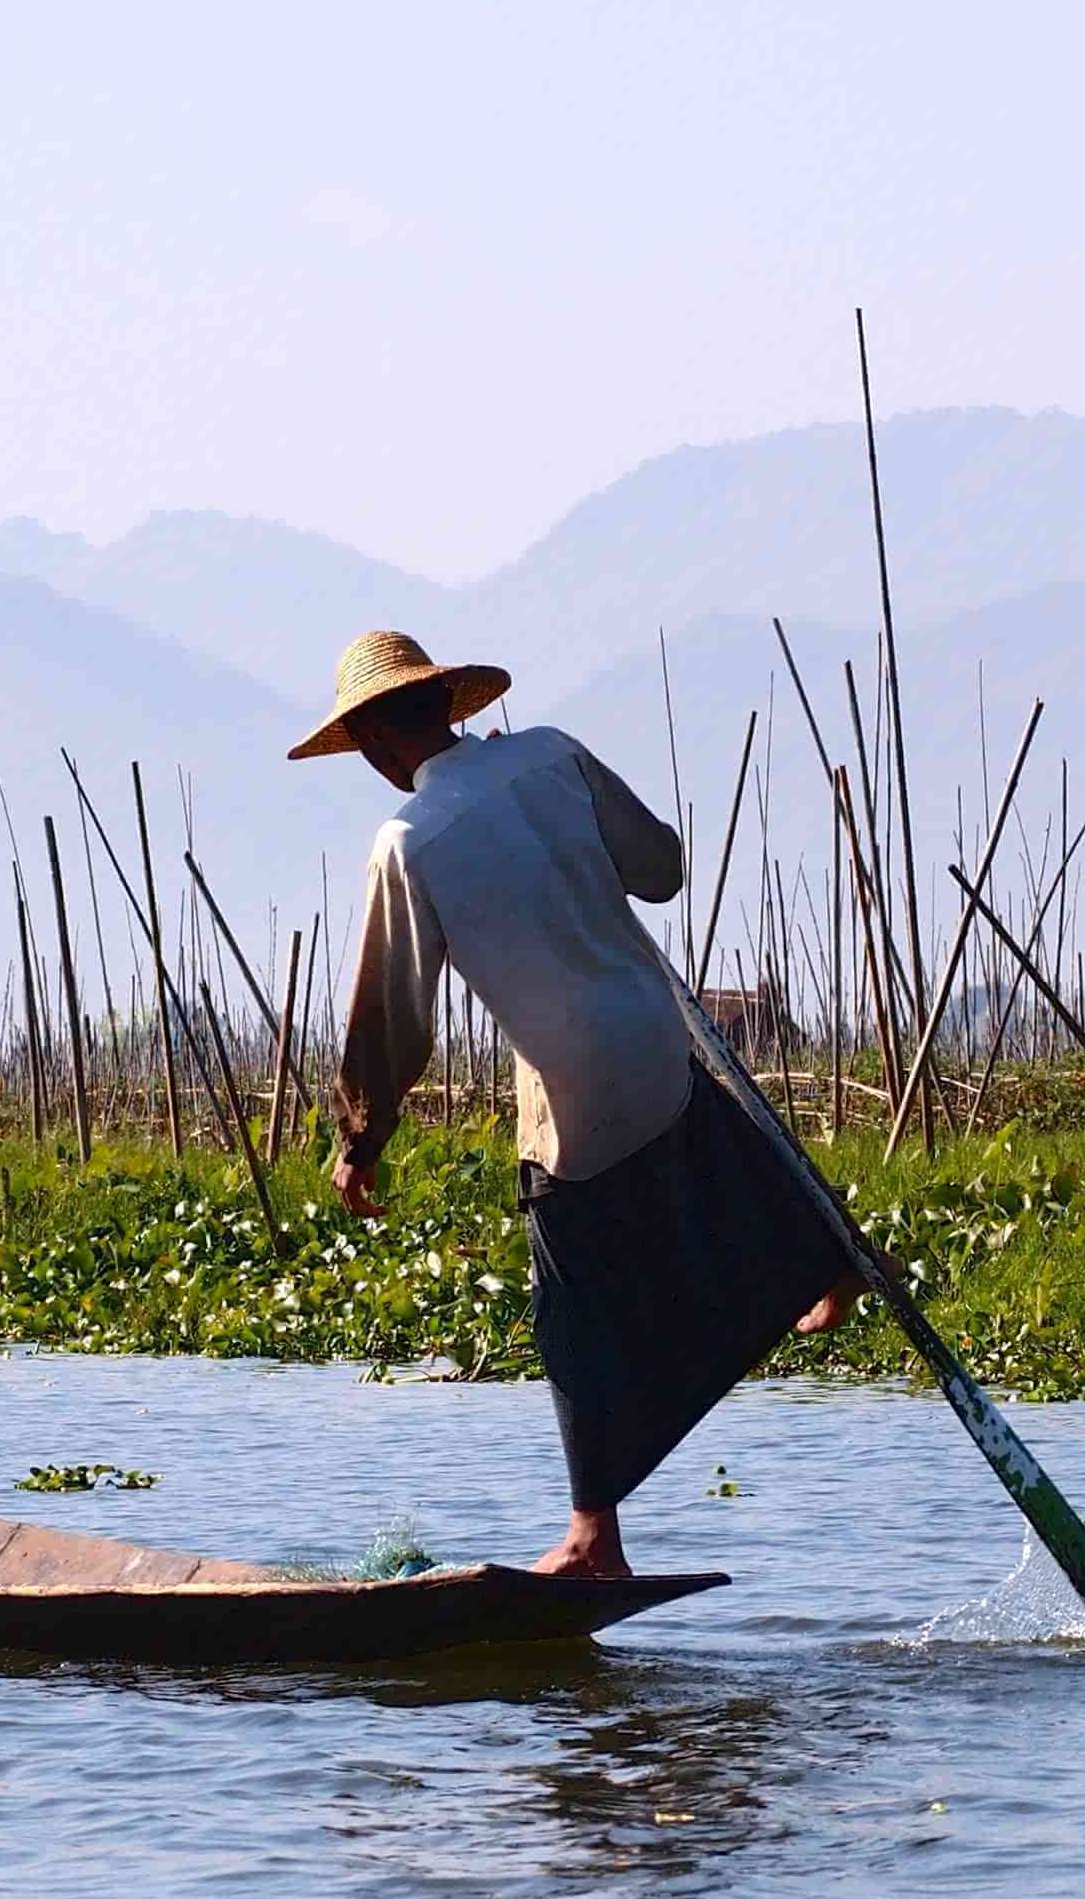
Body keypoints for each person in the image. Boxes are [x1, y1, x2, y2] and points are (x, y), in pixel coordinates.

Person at [298, 629, 856, 1579]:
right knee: (702, 1166)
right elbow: (662, 870)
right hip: (657, 1030)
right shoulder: (552, 754)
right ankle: (827, 1253)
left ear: (381, 745)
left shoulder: (408, 842)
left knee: (572, 1309)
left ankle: (595, 1538)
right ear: (449, 709)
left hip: (574, 1074)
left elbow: (392, 1009)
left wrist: (361, 1136)